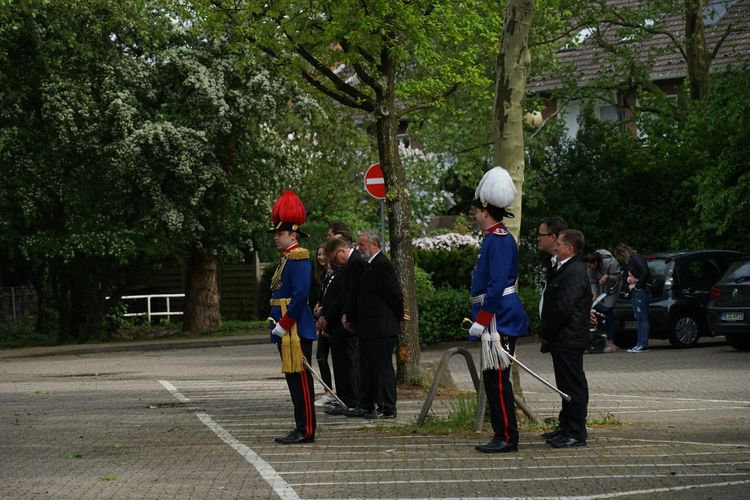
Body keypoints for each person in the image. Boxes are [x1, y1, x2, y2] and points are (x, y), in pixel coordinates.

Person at [467, 166, 530, 453]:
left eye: (476, 211)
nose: (474, 215)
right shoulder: (494, 238)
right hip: (496, 315)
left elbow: (495, 286)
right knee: (493, 379)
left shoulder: (500, 240)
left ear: (485, 210)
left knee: (498, 380)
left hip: (499, 317)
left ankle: (507, 436)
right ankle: (502, 433)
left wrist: (482, 320)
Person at [266, 190, 317, 444]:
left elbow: (299, 296)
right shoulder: (286, 259)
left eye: (281, 233)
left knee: (301, 381)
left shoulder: (298, 258)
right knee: (294, 380)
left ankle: (306, 429)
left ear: (293, 235)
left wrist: (284, 325)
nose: (276, 237)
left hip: (295, 329)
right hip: (287, 330)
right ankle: (301, 426)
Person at [540, 229, 592, 448]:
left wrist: (547, 331)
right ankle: (566, 426)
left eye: (559, 244)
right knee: (565, 385)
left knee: (572, 385)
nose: (555, 246)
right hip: (563, 337)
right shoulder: (565, 269)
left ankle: (576, 431)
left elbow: (564, 307)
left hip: (569, 337)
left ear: (569, 248)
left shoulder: (574, 271)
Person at [351, 230, 404, 419]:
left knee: (383, 369)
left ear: (374, 245)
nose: (359, 248)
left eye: (362, 245)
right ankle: (370, 404)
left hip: (381, 328)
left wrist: (398, 315)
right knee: (369, 368)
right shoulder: (370, 266)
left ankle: (388, 407)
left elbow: (394, 294)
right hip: (370, 328)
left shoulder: (381, 265)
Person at [322, 236, 364, 415]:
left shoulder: (355, 263)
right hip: (338, 322)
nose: (335, 263)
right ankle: (345, 399)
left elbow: (348, 294)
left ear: (341, 251)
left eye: (334, 258)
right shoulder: (346, 266)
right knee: (340, 364)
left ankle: (353, 399)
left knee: (349, 363)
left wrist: (342, 314)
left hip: (346, 323)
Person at [581, 249, 622, 352]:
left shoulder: (611, 262)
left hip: (613, 288)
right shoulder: (589, 268)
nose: (590, 268)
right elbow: (592, 281)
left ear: (596, 262)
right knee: (595, 308)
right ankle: (599, 336)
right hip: (600, 288)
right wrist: (594, 294)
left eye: (591, 265)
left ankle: (610, 341)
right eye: (588, 266)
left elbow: (618, 277)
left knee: (607, 310)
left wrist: (608, 277)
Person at [614, 243, 652, 353]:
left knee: (642, 317)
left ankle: (643, 344)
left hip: (641, 291)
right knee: (639, 318)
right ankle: (639, 343)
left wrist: (638, 285)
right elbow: (625, 275)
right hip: (636, 291)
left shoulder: (636, 258)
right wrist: (628, 282)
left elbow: (644, 271)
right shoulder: (630, 261)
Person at [312, 244, 335, 406]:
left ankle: (335, 392)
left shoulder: (334, 274)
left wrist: (323, 310)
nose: (320, 257)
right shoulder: (322, 276)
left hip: (331, 320)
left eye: (323, 254)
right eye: (318, 255)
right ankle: (328, 390)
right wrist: (318, 306)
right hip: (322, 319)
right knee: (321, 355)